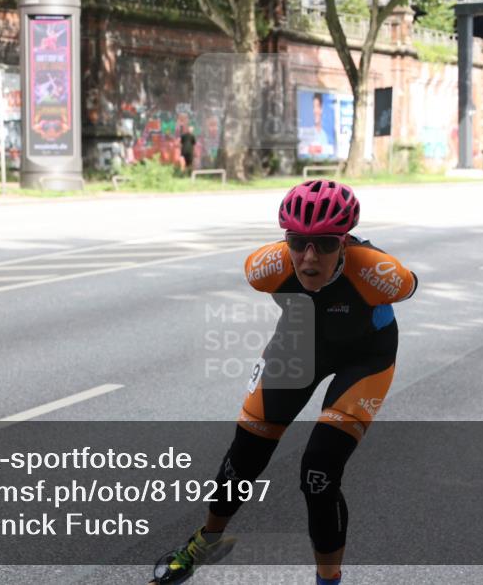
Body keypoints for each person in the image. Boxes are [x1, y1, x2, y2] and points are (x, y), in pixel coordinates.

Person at [149, 180, 418, 585]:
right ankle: (206, 542)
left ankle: (328, 581)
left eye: (325, 244)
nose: (309, 258)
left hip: (366, 358)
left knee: (318, 474)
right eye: (297, 242)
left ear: (344, 243)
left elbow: (410, 284)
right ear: (286, 241)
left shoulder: (380, 274)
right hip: (299, 343)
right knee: (244, 456)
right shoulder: (264, 269)